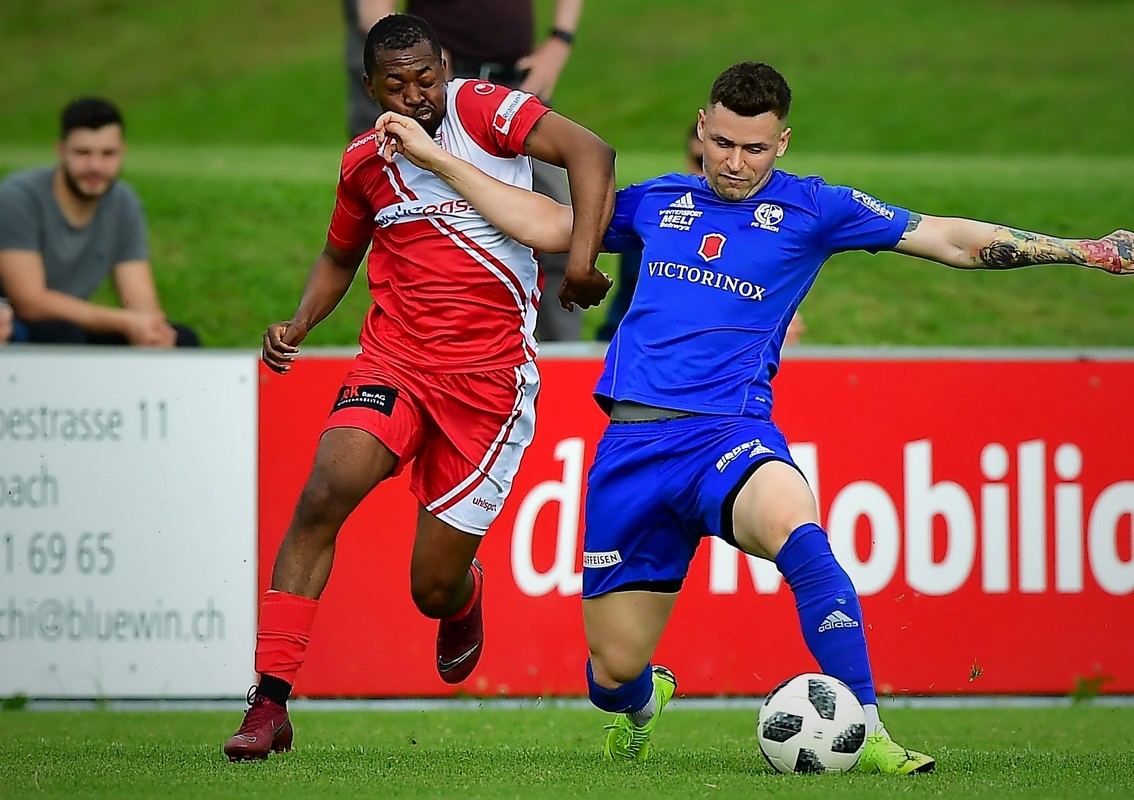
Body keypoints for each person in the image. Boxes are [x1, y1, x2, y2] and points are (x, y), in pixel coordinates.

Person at [375, 60, 1134, 773]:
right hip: (631, 452)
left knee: (798, 529)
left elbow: (949, 239)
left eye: (754, 149)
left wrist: (1082, 250)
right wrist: (438, 159)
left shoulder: (816, 208)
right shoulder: (657, 201)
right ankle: (644, 702)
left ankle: (868, 728)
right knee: (612, 675)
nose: (735, 162)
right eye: (722, 144)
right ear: (701, 131)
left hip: (728, 433)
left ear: (781, 143)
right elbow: (550, 224)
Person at [222, 13, 614, 762]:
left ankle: (463, 598)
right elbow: (340, 255)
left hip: (489, 384)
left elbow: (591, 152)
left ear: (447, 69)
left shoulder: (484, 111)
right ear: (370, 88)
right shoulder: (364, 163)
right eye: (396, 85)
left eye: (426, 79)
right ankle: (268, 702)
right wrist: (299, 322)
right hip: (394, 364)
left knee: (430, 588)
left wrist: (581, 263)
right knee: (323, 493)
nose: (415, 96)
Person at [345, 0, 587, 342]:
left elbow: (590, 154)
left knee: (564, 231)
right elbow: (372, 9)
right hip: (435, 89)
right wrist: (419, 66)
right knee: (427, 234)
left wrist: (562, 38)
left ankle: (558, 361)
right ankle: (430, 345)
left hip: (515, 85)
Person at [0, 98, 200, 348]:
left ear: (122, 152)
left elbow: (139, 301)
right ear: (61, 151)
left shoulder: (123, 201)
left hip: (75, 325)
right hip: (14, 326)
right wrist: (123, 321)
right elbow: (29, 302)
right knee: (62, 335)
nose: (95, 166)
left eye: (108, 154)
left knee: (182, 340)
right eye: (83, 153)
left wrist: (151, 329)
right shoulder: (19, 197)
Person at [594, 123, 807, 345]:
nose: (725, 170)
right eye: (701, 161)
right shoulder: (663, 218)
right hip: (631, 347)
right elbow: (678, 300)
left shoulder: (767, 228)